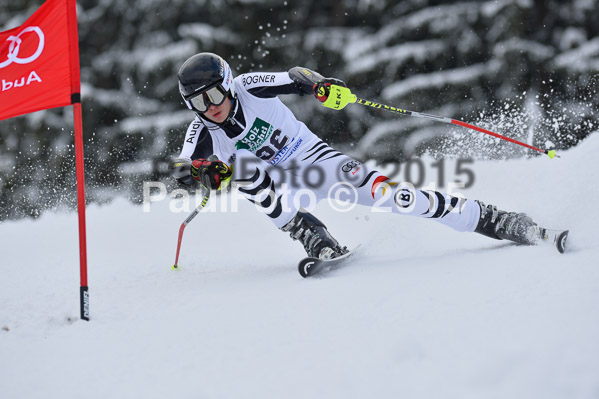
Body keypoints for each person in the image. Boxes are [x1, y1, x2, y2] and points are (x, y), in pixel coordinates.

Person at [170, 52, 539, 260]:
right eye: (198, 101)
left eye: (215, 95)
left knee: (395, 195)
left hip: (315, 163)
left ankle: (490, 218)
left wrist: (321, 86)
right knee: (244, 170)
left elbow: (294, 75)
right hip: (282, 192)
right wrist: (203, 173)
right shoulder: (200, 132)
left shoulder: (248, 87)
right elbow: (180, 168)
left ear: (229, 84)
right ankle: (308, 232)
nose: (211, 107)